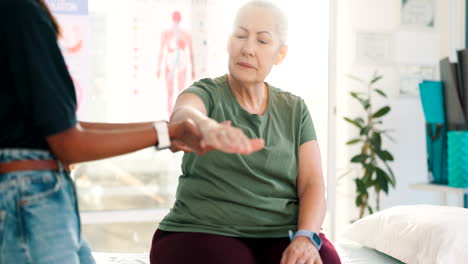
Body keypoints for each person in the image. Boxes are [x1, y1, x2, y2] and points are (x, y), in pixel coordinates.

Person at [0, 0, 264, 263]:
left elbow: (68, 130)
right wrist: (170, 132)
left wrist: (169, 131)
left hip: (37, 196)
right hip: (29, 197)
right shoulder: (20, 11)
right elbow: (68, 144)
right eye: (240, 35)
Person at [149, 1, 342, 264]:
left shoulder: (295, 109)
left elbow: (311, 184)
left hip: (280, 233)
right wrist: (204, 125)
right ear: (229, 43)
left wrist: (305, 238)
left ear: (280, 54)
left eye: (262, 41)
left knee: (325, 260)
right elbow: (184, 114)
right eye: (240, 36)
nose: (248, 49)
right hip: (200, 230)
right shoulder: (207, 93)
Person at [156, 10, 196, 116]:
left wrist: (193, 69)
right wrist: (158, 67)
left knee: (180, 89)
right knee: (170, 90)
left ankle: (177, 113)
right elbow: (161, 50)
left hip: (181, 60)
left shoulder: (185, 34)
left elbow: (191, 52)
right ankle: (170, 115)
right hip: (170, 59)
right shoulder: (166, 33)